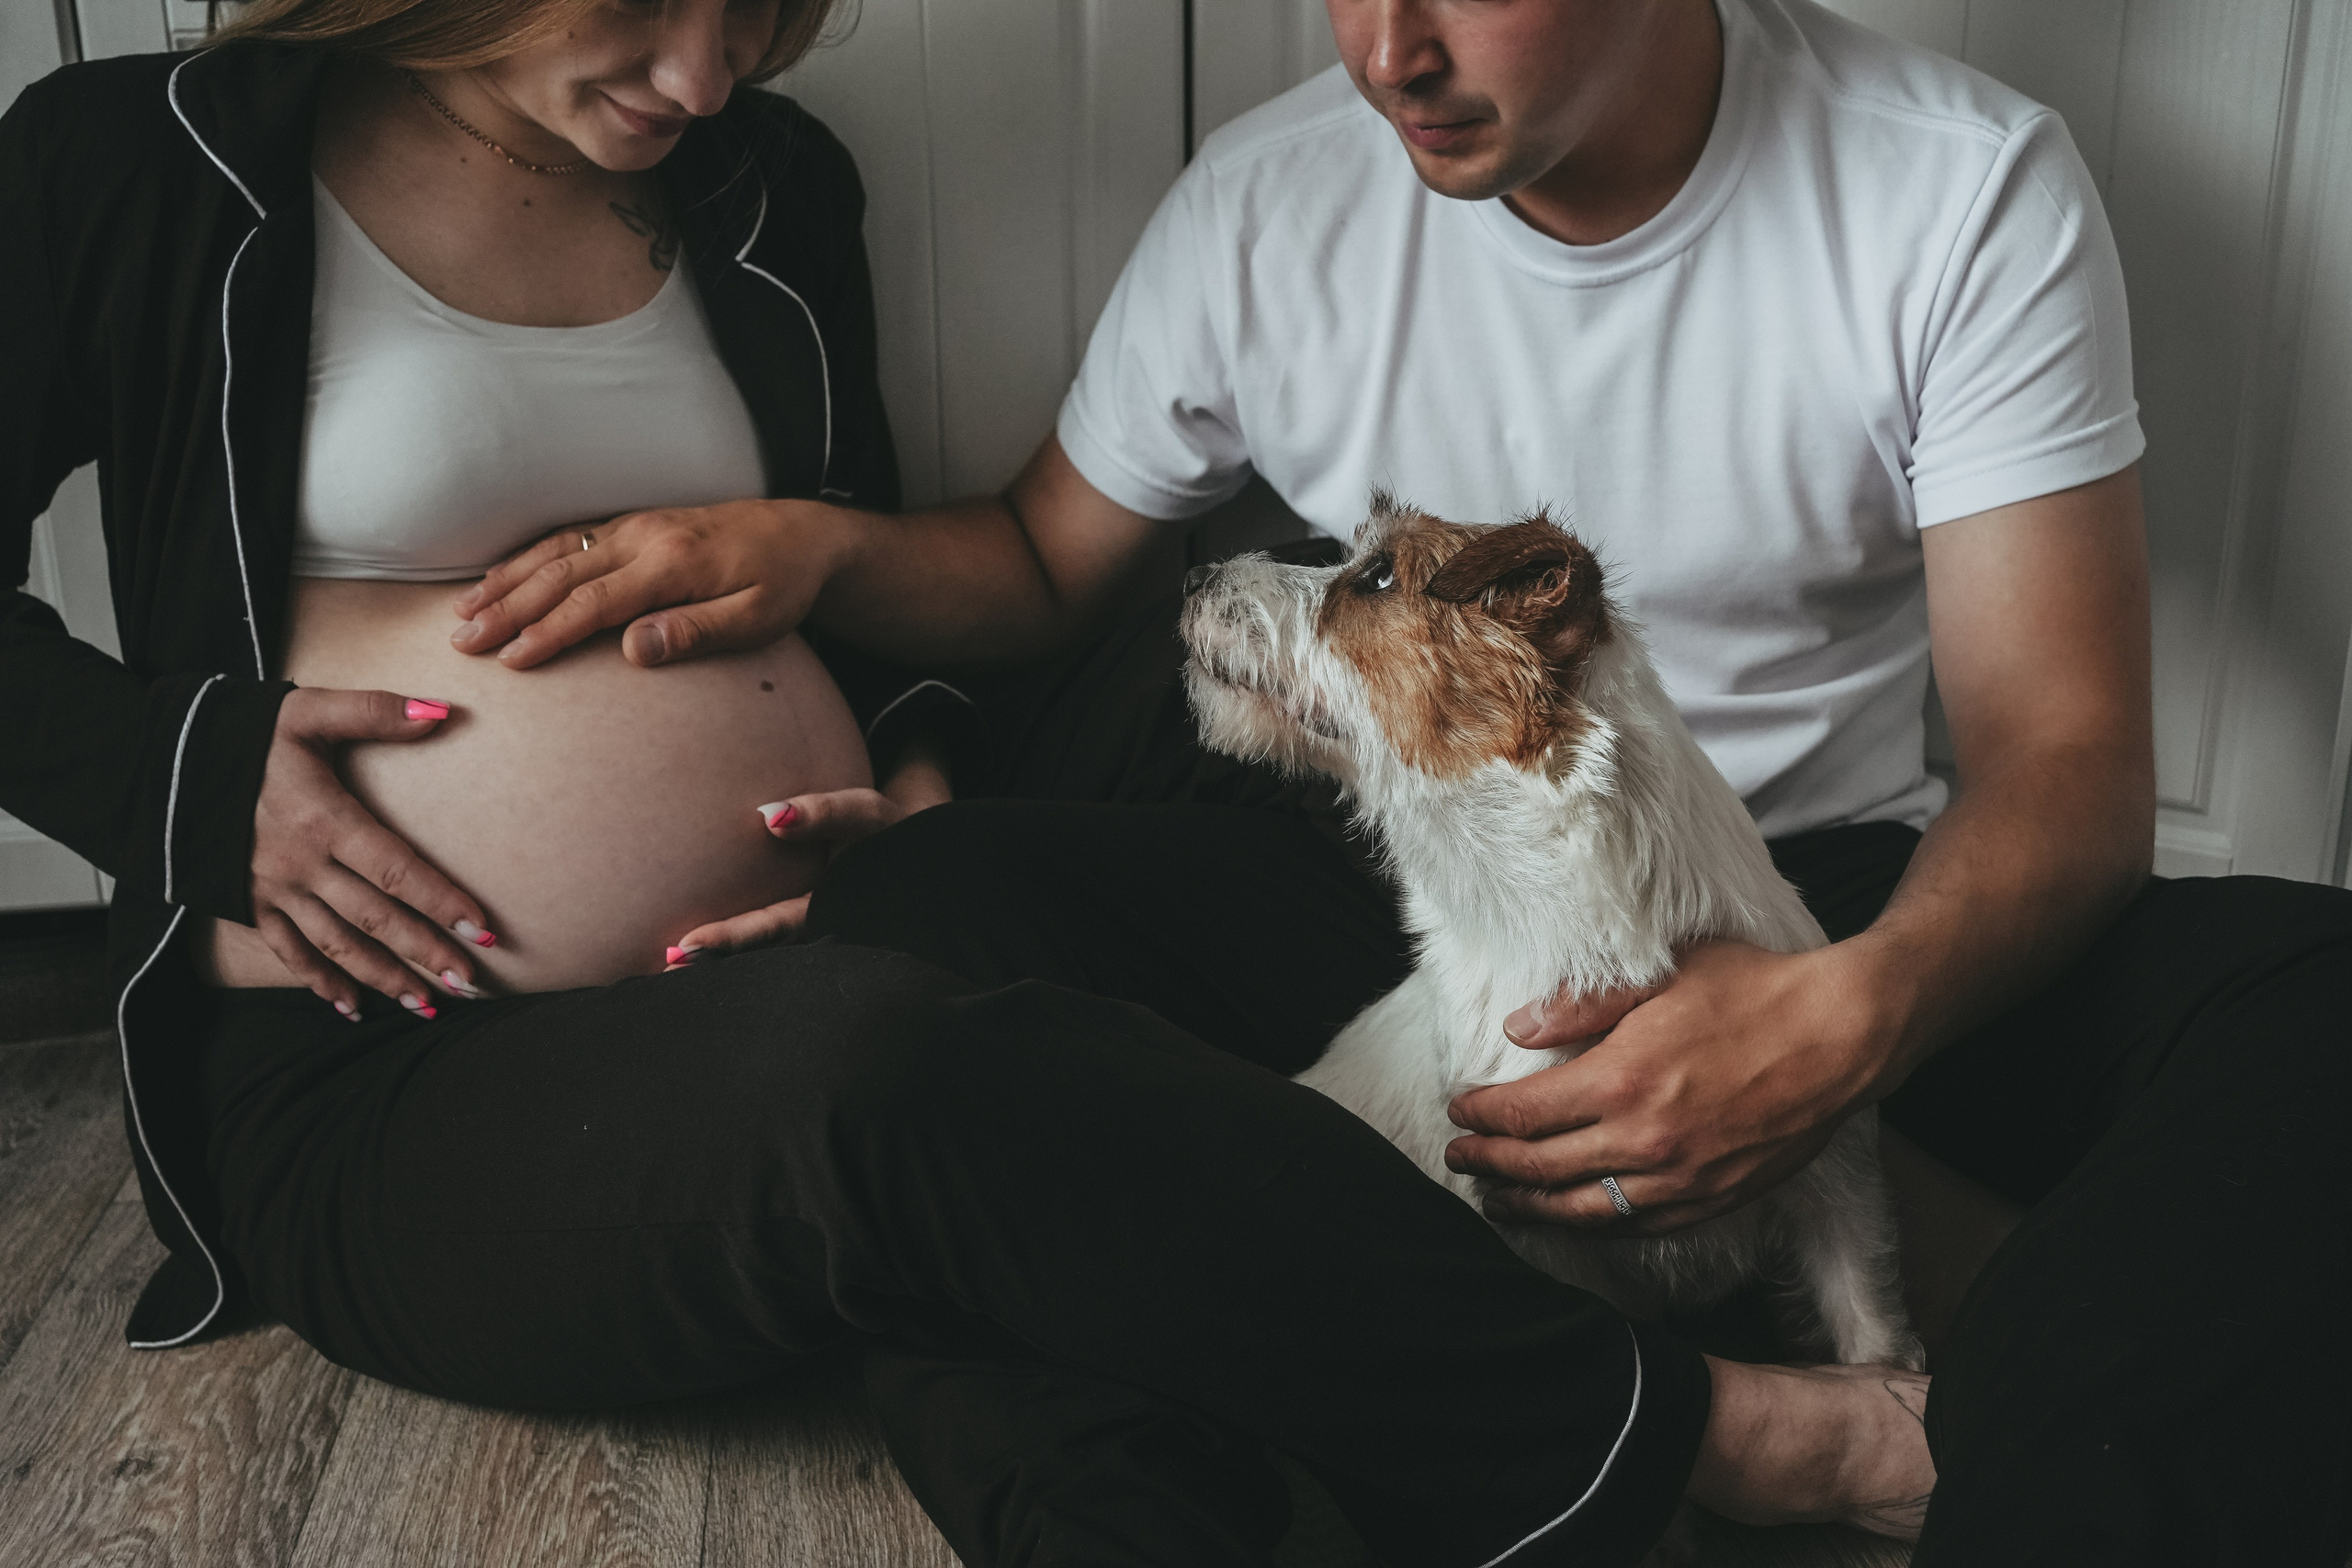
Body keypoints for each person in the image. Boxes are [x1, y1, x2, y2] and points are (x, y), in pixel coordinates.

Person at [0, 0, 1945, 1564]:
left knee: (1188, 730)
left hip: (842, 929)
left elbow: (850, 582)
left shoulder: (763, 183)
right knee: (897, 1077)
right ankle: (1711, 1431)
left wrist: (925, 774)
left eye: (758, 13)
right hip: (402, 1067)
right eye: (650, 7)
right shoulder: (144, 161)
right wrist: (186, 778)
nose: (705, 73)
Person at [454, 0, 2352, 1564]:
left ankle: (2019, 1497)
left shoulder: (1951, 185)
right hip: (1409, 914)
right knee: (911, 923)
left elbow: (2066, 762)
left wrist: (1838, 1024)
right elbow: (1039, 559)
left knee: (2319, 1007)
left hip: (1813, 899)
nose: (1384, 50)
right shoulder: (1267, 197)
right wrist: (812, 549)